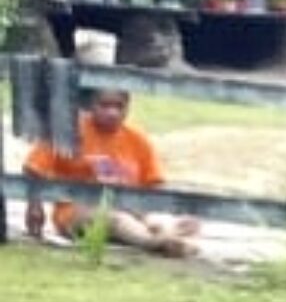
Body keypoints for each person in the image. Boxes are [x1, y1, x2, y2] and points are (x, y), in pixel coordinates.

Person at [17, 88, 200, 257]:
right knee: (115, 219)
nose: (112, 113)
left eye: (119, 106)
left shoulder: (138, 139)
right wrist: (34, 206)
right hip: (77, 209)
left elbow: (154, 184)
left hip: (131, 206)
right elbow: (33, 168)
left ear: (128, 108)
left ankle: (170, 232)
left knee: (157, 219)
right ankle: (159, 243)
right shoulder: (69, 132)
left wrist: (162, 216)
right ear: (91, 105)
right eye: (104, 106)